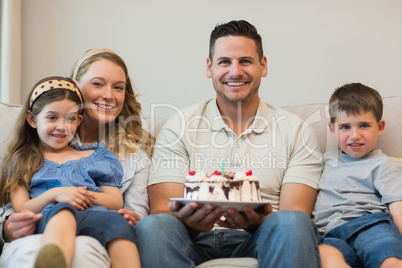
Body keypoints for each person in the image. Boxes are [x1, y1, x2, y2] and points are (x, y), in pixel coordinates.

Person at [134, 20, 323, 267]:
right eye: (224, 62)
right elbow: (162, 210)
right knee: (153, 225)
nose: (235, 72)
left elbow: (294, 215)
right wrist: (191, 224)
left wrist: (255, 221)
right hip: (192, 241)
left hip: (260, 239)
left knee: (294, 223)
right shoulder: (179, 125)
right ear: (209, 67)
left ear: (263, 65)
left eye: (245, 61)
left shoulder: (297, 130)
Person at [0, 49, 153, 267]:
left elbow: (127, 209)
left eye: (118, 87)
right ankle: (55, 256)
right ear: (75, 85)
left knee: (117, 226)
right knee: (63, 214)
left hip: (99, 225)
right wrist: (9, 227)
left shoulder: (113, 156)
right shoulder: (30, 152)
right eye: (98, 83)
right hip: (44, 225)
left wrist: (133, 221)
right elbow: (15, 210)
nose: (109, 95)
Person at [313, 83, 402, 268]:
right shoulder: (319, 162)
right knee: (327, 258)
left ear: (379, 127)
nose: (355, 135)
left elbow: (397, 207)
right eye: (345, 127)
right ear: (332, 130)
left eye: (364, 125)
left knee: (385, 254)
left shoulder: (384, 164)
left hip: (369, 225)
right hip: (328, 233)